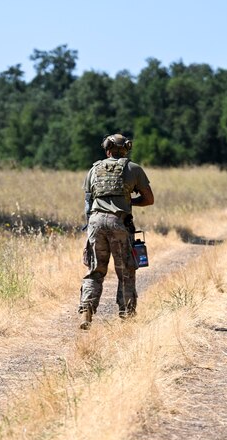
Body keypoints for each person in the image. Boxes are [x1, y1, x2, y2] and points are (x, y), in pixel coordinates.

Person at [78, 134, 154, 330]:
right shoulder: (133, 169)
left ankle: (86, 312)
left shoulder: (94, 169)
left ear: (107, 149)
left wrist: (90, 230)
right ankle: (127, 315)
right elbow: (149, 199)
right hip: (118, 223)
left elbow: (88, 203)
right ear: (127, 149)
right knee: (126, 271)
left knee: (95, 270)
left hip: (95, 222)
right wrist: (129, 201)